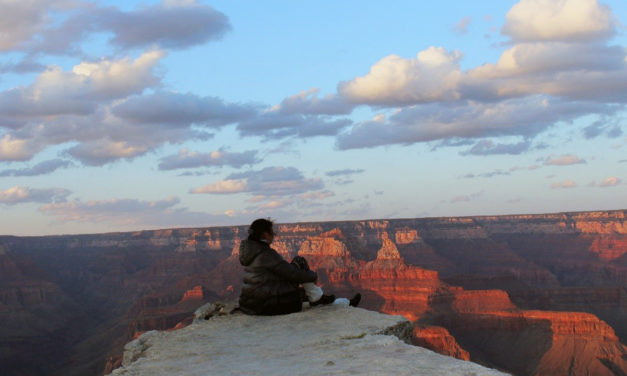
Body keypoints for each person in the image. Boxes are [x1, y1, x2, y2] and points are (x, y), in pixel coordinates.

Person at [238, 218, 360, 315]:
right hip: (268, 305)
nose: (274, 235)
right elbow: (292, 274)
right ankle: (332, 301)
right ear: (265, 234)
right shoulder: (266, 254)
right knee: (299, 261)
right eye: (272, 232)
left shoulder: (250, 252)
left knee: (304, 293)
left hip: (250, 304)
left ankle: (330, 300)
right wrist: (313, 276)